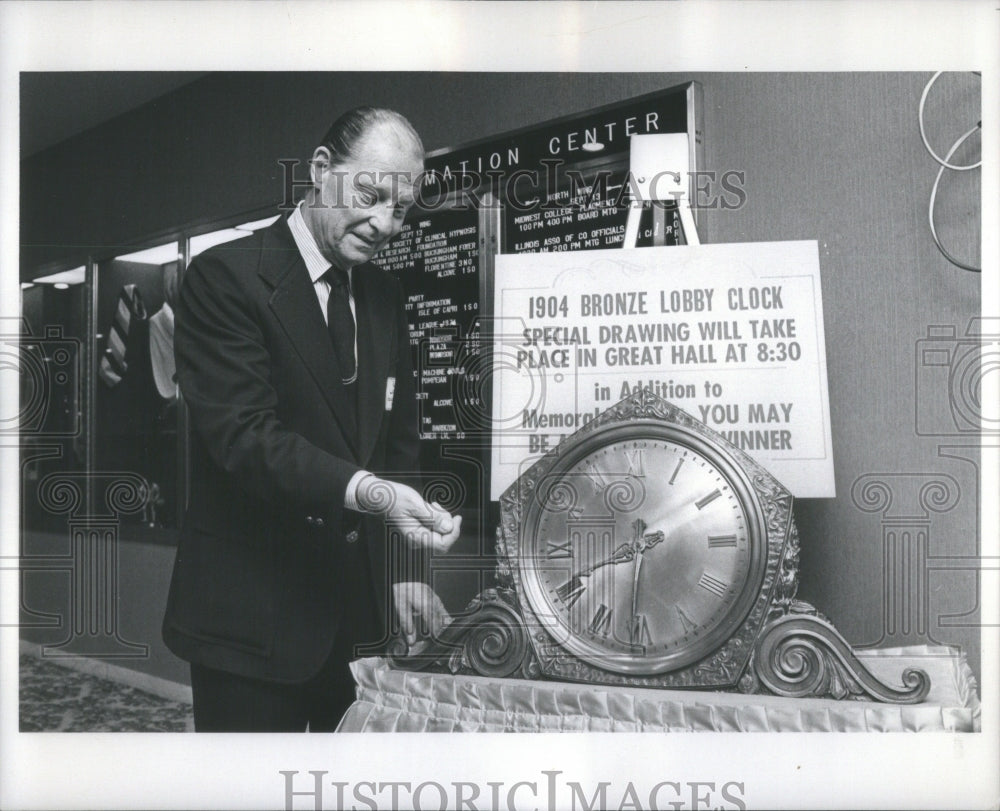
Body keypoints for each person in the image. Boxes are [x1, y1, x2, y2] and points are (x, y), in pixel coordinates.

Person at [162, 107, 460, 732]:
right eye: (371, 195)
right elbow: (245, 437)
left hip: (353, 628)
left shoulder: (384, 298)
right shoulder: (224, 277)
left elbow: (393, 450)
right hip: (247, 627)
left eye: (401, 208)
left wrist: (400, 577)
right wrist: (375, 496)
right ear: (322, 171)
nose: (384, 222)